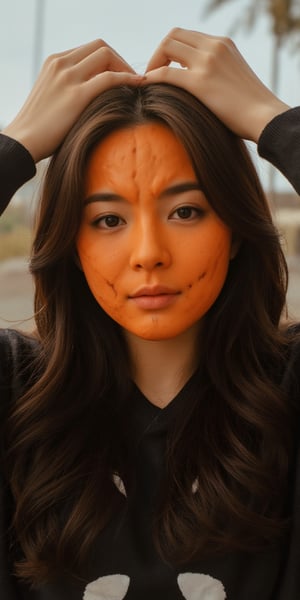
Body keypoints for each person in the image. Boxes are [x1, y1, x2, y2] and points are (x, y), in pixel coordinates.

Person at [0, 28, 300, 600]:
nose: (148, 254)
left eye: (186, 210)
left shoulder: (289, 393)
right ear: (72, 243)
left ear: (235, 230)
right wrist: (16, 145)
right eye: (108, 220)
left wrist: (272, 120)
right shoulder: (15, 394)